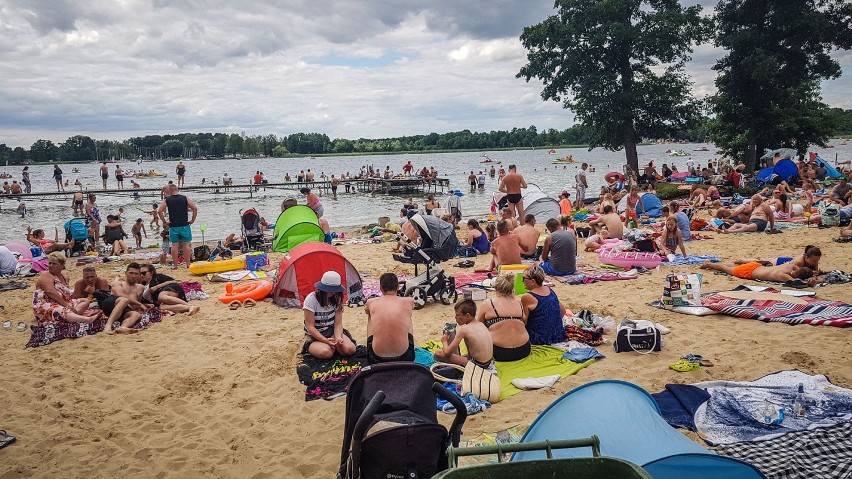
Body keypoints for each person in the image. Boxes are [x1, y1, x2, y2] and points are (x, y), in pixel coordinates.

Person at [476, 274, 531, 362]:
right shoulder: (519, 304)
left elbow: (477, 326)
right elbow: (524, 323)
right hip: (523, 350)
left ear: (496, 288)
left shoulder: (488, 303)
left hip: (498, 352)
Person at [32, 253, 99, 325]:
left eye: (54, 264)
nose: (50, 265)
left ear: (62, 265)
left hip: (61, 302)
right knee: (61, 309)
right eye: (50, 263)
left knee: (85, 301)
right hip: (46, 303)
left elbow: (66, 293)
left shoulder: (65, 277)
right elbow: (50, 291)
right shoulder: (46, 274)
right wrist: (67, 305)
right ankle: (86, 319)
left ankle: (73, 316)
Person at [364, 273, 415, 364]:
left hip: (375, 358)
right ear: (398, 287)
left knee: (371, 315)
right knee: (407, 314)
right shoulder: (409, 301)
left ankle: (370, 344)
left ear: (381, 288)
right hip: (406, 357)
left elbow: (366, 311)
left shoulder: (371, 302)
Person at [433, 299, 495, 372]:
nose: (455, 317)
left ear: (467, 315)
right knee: (462, 356)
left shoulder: (464, 330)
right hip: (488, 362)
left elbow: (447, 353)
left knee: (438, 353)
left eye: (458, 315)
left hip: (478, 365)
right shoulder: (481, 324)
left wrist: (444, 341)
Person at [521, 265, 567, 345]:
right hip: (558, 336)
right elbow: (563, 311)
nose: (522, 281)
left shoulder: (528, 297)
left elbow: (524, 322)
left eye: (524, 278)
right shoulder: (549, 290)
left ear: (532, 281)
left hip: (539, 339)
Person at [157, 184, 198, 269]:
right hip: (184, 224)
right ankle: (188, 264)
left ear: (169, 191)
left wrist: (165, 221)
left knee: (174, 245)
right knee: (186, 244)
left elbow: (159, 211)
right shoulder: (184, 198)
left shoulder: (168, 200)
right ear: (177, 190)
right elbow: (195, 208)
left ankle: (175, 265)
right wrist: (192, 220)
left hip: (173, 225)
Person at [102, 263, 148, 333]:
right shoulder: (118, 283)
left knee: (136, 314)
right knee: (124, 300)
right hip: (111, 304)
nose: (133, 276)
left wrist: (143, 305)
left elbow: (135, 305)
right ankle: (108, 326)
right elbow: (119, 294)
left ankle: (123, 327)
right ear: (126, 273)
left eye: (136, 274)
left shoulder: (141, 288)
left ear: (139, 275)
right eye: (131, 273)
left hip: (124, 310)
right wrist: (139, 304)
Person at [700, 260, 817, 285]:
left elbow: (798, 271)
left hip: (756, 266)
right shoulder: (784, 276)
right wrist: (810, 282)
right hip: (749, 272)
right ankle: (709, 264)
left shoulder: (791, 267)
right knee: (726, 269)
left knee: (734, 267)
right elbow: (797, 283)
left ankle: (724, 263)